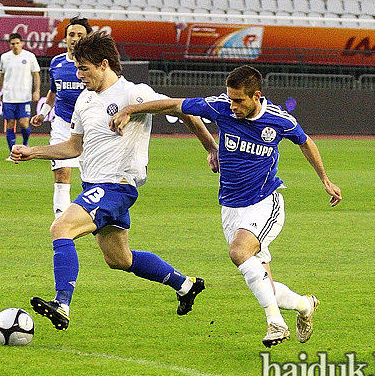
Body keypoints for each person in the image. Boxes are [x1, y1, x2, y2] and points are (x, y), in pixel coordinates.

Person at [110, 65, 342, 348]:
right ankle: (305, 305)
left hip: (264, 200)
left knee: (238, 251)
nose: (232, 106)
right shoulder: (220, 107)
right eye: (230, 99)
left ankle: (276, 323)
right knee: (263, 282)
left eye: (239, 100)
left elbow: (306, 143)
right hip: (231, 207)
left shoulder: (278, 120)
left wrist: (325, 180)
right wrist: (131, 110)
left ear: (256, 96)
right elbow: (175, 104)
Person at [10, 32, 218, 331]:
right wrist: (34, 151)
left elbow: (180, 109)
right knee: (118, 258)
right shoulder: (84, 100)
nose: (79, 75)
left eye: (84, 68)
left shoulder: (133, 93)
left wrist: (210, 147)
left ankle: (62, 303)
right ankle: (185, 285)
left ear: (104, 64)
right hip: (94, 186)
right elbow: (74, 147)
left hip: (116, 186)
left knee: (61, 227)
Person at [30, 17, 92, 218]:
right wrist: (43, 113)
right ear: (65, 38)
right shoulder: (56, 63)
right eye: (71, 34)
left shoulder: (95, 64)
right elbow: (53, 92)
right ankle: (61, 221)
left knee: (90, 177)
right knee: (61, 173)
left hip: (90, 128)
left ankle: (91, 217)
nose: (74, 39)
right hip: (63, 125)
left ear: (87, 38)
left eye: (79, 35)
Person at [0, 33, 40, 158]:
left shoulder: (30, 56)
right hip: (9, 97)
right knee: (10, 123)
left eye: (17, 43)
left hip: (24, 97)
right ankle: (12, 152)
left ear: (21, 43)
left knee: (24, 123)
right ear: (9, 44)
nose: (15, 46)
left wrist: (36, 91)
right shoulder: (5, 57)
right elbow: (1, 76)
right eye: (12, 43)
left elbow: (36, 74)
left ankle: (25, 144)